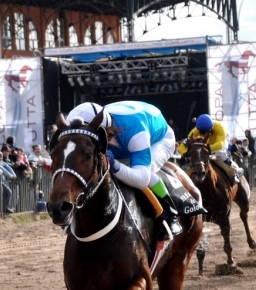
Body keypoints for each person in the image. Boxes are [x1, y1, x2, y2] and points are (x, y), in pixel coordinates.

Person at [69, 101, 183, 242]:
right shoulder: (100, 124)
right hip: (125, 136)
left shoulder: (135, 131)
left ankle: (170, 214)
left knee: (149, 172)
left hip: (158, 139)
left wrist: (116, 166)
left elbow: (142, 179)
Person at [181, 114, 242, 182]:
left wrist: (205, 148)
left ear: (211, 127)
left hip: (221, 139)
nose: (203, 134)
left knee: (219, 154)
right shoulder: (195, 131)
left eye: (205, 132)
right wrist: (184, 152)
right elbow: (181, 146)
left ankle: (236, 168)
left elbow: (220, 145)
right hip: (207, 143)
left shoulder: (220, 127)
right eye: (201, 132)